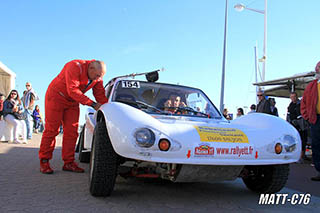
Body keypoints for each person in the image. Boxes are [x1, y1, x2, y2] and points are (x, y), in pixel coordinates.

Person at [38, 60, 108, 174]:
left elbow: (100, 94)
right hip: (56, 97)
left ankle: (69, 163)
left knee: (72, 131)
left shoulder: (97, 77)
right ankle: (44, 161)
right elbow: (72, 90)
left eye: (100, 77)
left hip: (73, 102)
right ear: (91, 68)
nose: (97, 79)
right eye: (97, 76)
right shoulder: (74, 66)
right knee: (52, 130)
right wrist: (93, 104)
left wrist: (107, 108)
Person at [301, 61, 320, 181]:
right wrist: (307, 116)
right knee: (317, 145)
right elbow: (304, 102)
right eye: (318, 68)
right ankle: (319, 170)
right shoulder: (311, 86)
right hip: (316, 119)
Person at [287, 91, 308, 163]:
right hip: (294, 125)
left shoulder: (301, 104)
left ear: (297, 97)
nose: (293, 98)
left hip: (302, 125)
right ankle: (296, 156)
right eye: (292, 97)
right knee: (295, 141)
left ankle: (302, 156)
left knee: (303, 140)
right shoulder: (290, 106)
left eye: (294, 97)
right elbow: (288, 115)